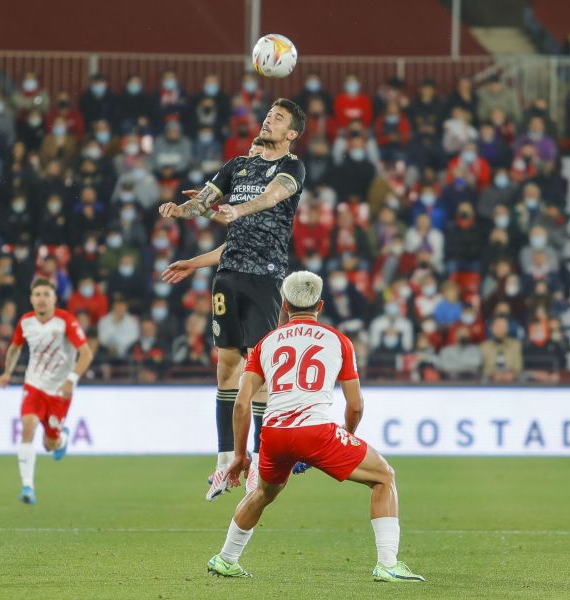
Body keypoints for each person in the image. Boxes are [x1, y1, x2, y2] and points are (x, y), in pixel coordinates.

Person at [206, 271, 424, 583]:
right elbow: (356, 404)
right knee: (383, 477)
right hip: (317, 431)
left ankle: (226, 558)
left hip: (274, 434)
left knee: (264, 493)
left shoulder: (266, 342)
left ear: (284, 304)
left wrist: (240, 455)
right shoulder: (338, 341)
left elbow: (241, 403)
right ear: (320, 305)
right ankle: (388, 563)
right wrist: (346, 435)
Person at [158, 98, 306, 500]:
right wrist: (182, 210)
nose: (268, 120)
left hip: (266, 279)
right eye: (268, 115)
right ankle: (224, 463)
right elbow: (204, 205)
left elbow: (270, 199)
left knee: (258, 373)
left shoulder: (291, 168)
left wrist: (234, 210)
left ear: (291, 134)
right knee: (226, 367)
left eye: (278, 119)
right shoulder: (236, 166)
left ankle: (258, 462)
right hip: (228, 276)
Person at [0, 278, 94, 505]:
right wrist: (7, 372)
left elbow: (86, 353)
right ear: (31, 299)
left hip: (60, 390)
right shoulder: (25, 322)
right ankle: (28, 486)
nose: (41, 299)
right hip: (34, 385)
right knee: (28, 425)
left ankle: (62, 438)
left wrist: (71, 379)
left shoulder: (65, 321)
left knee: (50, 444)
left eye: (46, 295)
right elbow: (14, 348)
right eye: (37, 294)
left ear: (54, 299)